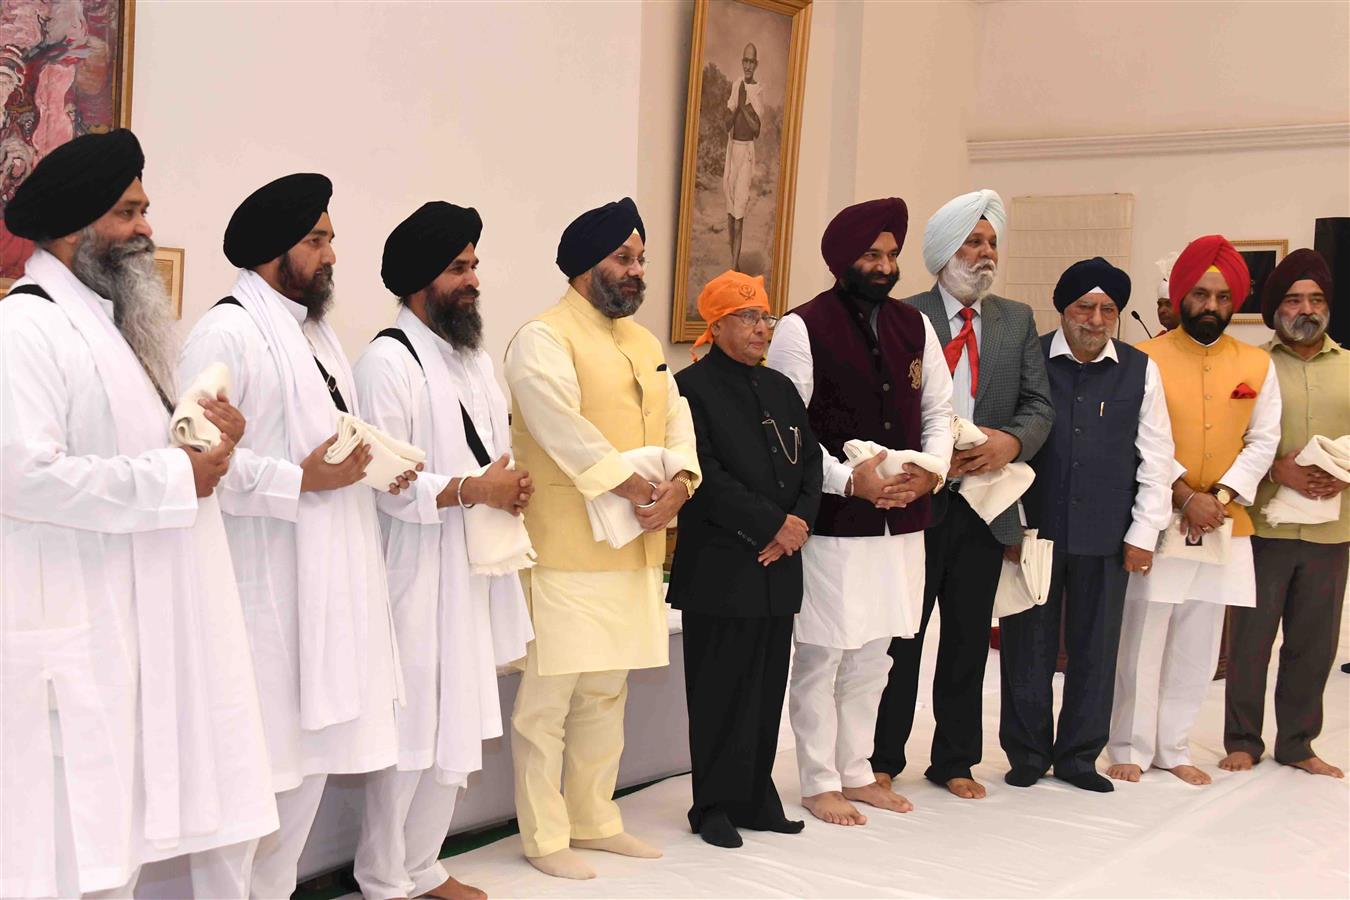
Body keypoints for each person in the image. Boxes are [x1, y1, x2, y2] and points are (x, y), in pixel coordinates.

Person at [1, 130, 275, 898]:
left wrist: (202, 439)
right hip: (61, 630)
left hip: (119, 630)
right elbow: (23, 475)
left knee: (107, 847)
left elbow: (136, 451)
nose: (147, 230)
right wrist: (171, 477)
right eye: (129, 213)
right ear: (76, 227)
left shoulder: (106, 327)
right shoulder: (24, 329)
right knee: (58, 850)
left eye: (144, 210)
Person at [178, 173, 414, 897]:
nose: (332, 253)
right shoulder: (227, 330)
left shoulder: (315, 333)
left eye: (331, 237)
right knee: (248, 781)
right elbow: (191, 451)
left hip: (328, 582)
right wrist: (300, 481)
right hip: (261, 593)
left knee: (307, 767)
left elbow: (323, 441)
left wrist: (377, 465)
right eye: (317, 239)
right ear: (273, 249)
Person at [504, 197, 701, 880]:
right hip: (563, 545)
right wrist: (629, 483)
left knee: (606, 692)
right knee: (548, 701)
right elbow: (559, 429)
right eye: (624, 258)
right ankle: (544, 836)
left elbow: (678, 422)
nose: (637, 270)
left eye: (641, 258)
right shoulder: (543, 336)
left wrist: (680, 483)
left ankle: (593, 819)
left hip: (635, 541)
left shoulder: (644, 344)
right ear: (587, 266)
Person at [350, 201, 536, 899]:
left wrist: (508, 487)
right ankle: (383, 877)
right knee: (411, 734)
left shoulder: (474, 359)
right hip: (413, 569)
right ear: (420, 277)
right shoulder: (385, 362)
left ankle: (423, 866)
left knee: (456, 725)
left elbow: (492, 449)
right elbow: (383, 482)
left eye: (474, 265)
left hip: (472, 566)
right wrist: (472, 491)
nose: (473, 279)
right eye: (459, 268)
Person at [766, 198, 954, 824]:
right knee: (823, 651)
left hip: (903, 520)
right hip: (835, 522)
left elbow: (939, 414)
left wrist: (930, 472)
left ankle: (857, 770)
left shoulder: (915, 326)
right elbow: (789, 430)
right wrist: (850, 482)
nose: (884, 265)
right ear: (843, 260)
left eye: (891, 254)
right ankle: (817, 778)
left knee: (876, 653)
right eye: (872, 255)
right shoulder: (801, 327)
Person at [872, 189, 1054, 800]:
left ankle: (954, 759)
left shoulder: (1017, 320)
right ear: (945, 252)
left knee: (969, 637)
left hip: (984, 504)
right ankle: (881, 758)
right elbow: (884, 404)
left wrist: (1008, 443)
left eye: (991, 242)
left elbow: (1039, 407)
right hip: (917, 502)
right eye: (973, 242)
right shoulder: (902, 315)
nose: (984, 254)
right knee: (903, 636)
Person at [1107, 234, 1280, 786]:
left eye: (1223, 297)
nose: (1212, 306)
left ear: (1237, 301)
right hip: (1158, 514)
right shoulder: (1144, 358)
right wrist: (1185, 495)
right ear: (1180, 296)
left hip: (1225, 525)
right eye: (1201, 294)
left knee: (1200, 639)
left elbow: (1264, 440)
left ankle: (1175, 746)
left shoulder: (1256, 363)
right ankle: (1128, 745)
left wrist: (1221, 498)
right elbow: (1136, 438)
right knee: (1143, 633)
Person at [1000, 258, 1176, 792]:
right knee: (1026, 645)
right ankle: (1028, 754)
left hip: (1108, 536)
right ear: (1063, 308)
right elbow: (1004, 447)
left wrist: (1143, 534)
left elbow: (1157, 458)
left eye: (1108, 309)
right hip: (1036, 532)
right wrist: (1008, 527)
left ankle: (1079, 757)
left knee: (1096, 649)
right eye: (1084, 307)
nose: (1096, 319)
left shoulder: (1141, 369)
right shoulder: (1030, 359)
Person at [669, 269, 822, 847]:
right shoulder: (689, 388)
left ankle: (756, 795)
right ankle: (710, 805)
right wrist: (770, 523)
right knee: (717, 692)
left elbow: (810, 462)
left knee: (764, 691)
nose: (762, 328)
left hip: (779, 563)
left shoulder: (780, 388)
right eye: (749, 317)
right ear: (717, 324)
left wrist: (798, 524)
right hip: (722, 566)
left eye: (766, 317)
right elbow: (703, 473)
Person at [1220, 249, 1347, 780]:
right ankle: (1244, 741)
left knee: (1313, 644)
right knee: (1249, 641)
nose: (1306, 309)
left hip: (1333, 529)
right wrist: (1277, 470)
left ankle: (1298, 743)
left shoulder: (1349, 365)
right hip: (1263, 526)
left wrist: (1343, 472)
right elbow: (1227, 439)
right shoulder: (1251, 365)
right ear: (1274, 309)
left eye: (1316, 299)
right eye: (1293, 299)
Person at [724, 42, 763, 271]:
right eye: (745, 60)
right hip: (732, 150)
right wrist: (736, 107)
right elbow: (726, 121)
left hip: (746, 152)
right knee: (730, 209)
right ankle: (733, 264)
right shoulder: (736, 84)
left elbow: (756, 129)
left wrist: (743, 106)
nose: (748, 65)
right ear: (742, 62)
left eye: (752, 61)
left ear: (756, 64)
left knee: (739, 211)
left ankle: (733, 267)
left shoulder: (757, 90)